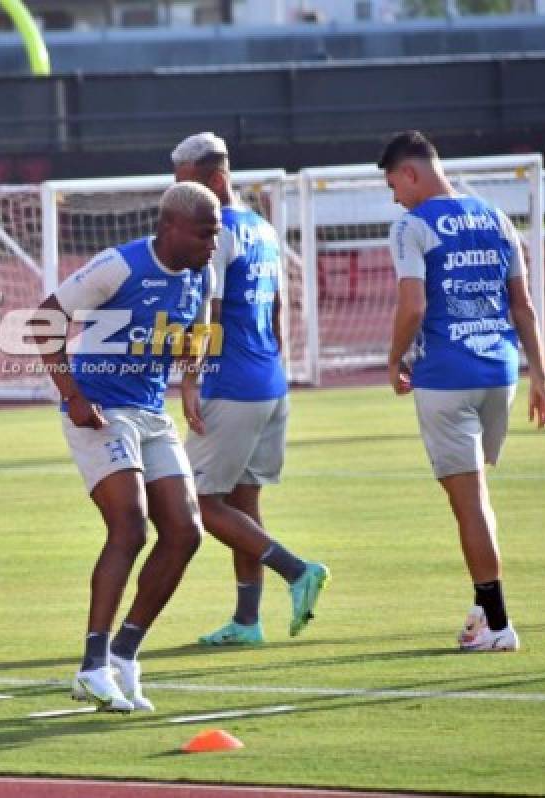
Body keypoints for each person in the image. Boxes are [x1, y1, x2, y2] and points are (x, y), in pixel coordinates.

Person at [35, 181, 218, 713]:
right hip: (100, 411)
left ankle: (124, 657)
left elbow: (196, 331)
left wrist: (190, 384)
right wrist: (71, 395)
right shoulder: (120, 265)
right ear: (170, 228)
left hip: (151, 412)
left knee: (186, 533)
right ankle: (91, 668)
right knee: (131, 528)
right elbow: (45, 319)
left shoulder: (200, 272)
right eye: (205, 233)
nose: (212, 243)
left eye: (216, 234)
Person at [380, 130, 545, 652]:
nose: (395, 197)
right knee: (475, 495)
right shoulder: (496, 216)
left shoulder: (411, 226)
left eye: (393, 185)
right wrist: (541, 376)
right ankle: (483, 612)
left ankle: (499, 625)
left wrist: (393, 359)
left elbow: (413, 306)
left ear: (411, 173)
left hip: (446, 377)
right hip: (500, 372)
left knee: (469, 504)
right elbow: (522, 305)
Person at [169, 133, 329, 647]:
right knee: (242, 502)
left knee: (195, 501)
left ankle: (297, 570)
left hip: (232, 384)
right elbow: (278, 307)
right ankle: (247, 620)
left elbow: (206, 313)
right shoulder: (261, 228)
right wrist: (274, 367)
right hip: (268, 382)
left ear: (216, 181)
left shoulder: (217, 234)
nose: (184, 203)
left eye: (188, 188)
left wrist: (189, 381)